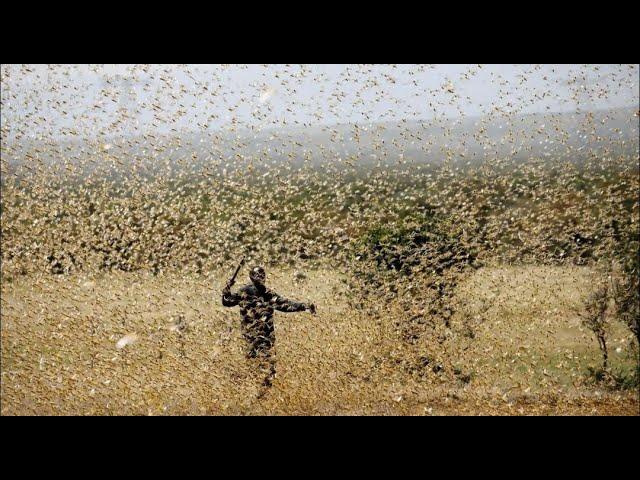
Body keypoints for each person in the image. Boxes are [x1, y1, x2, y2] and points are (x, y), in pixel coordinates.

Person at [222, 265, 316, 390]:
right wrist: (226, 291)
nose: (260, 278)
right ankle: (253, 391)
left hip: (264, 336)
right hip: (253, 336)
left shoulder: (267, 293)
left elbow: (285, 305)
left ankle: (260, 393)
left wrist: (304, 306)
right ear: (252, 277)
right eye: (258, 275)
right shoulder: (246, 292)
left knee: (265, 367)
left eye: (262, 275)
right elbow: (227, 301)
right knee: (256, 365)